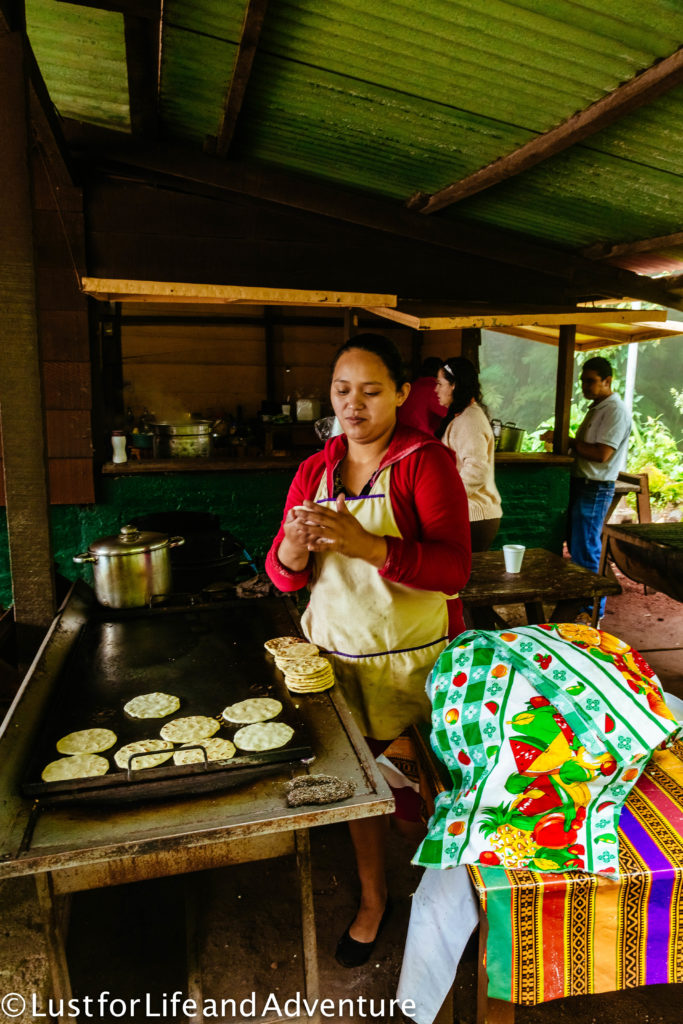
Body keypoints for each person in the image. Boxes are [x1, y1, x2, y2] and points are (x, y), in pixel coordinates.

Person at [265, 333, 471, 969]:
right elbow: (282, 574)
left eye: (371, 391)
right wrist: (295, 551)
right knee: (360, 792)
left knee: (424, 798)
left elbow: (454, 571)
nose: (353, 405)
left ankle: (446, 905)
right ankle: (374, 900)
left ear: (401, 394)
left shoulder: (423, 463)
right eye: (342, 390)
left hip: (413, 663)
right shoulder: (316, 469)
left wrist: (368, 545)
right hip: (333, 661)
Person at [541, 355, 631, 621]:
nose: (585, 386)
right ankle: (581, 605)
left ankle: (592, 613)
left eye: (591, 381)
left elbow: (603, 453)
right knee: (580, 547)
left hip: (596, 486)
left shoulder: (615, 410)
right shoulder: (599, 407)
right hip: (584, 484)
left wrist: (567, 442)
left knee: (587, 550)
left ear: (608, 381)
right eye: (583, 381)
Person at [435, 356, 502, 551]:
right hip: (469, 516)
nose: (436, 390)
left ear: (454, 385)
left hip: (474, 518)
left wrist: (446, 500)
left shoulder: (469, 420)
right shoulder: (464, 416)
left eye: (440, 384)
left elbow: (477, 469)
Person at [396, 356, 444, 435]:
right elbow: (450, 414)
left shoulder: (413, 385)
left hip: (402, 437)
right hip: (420, 440)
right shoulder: (434, 388)